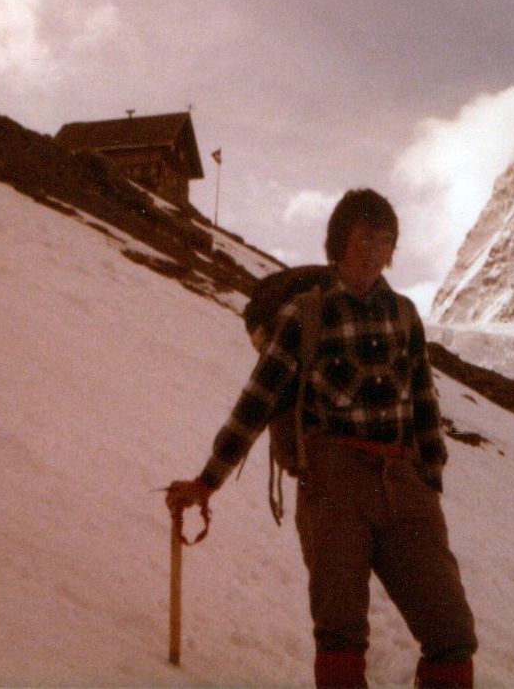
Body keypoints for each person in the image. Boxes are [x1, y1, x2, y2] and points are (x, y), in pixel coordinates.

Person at [166, 189, 477, 689]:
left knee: (451, 630)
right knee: (341, 633)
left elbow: (424, 404)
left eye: (386, 241)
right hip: (334, 486)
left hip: (404, 483)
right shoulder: (305, 316)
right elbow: (256, 402)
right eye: (365, 238)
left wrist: (429, 480)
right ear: (339, 242)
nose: (376, 251)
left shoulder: (403, 315)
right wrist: (207, 481)